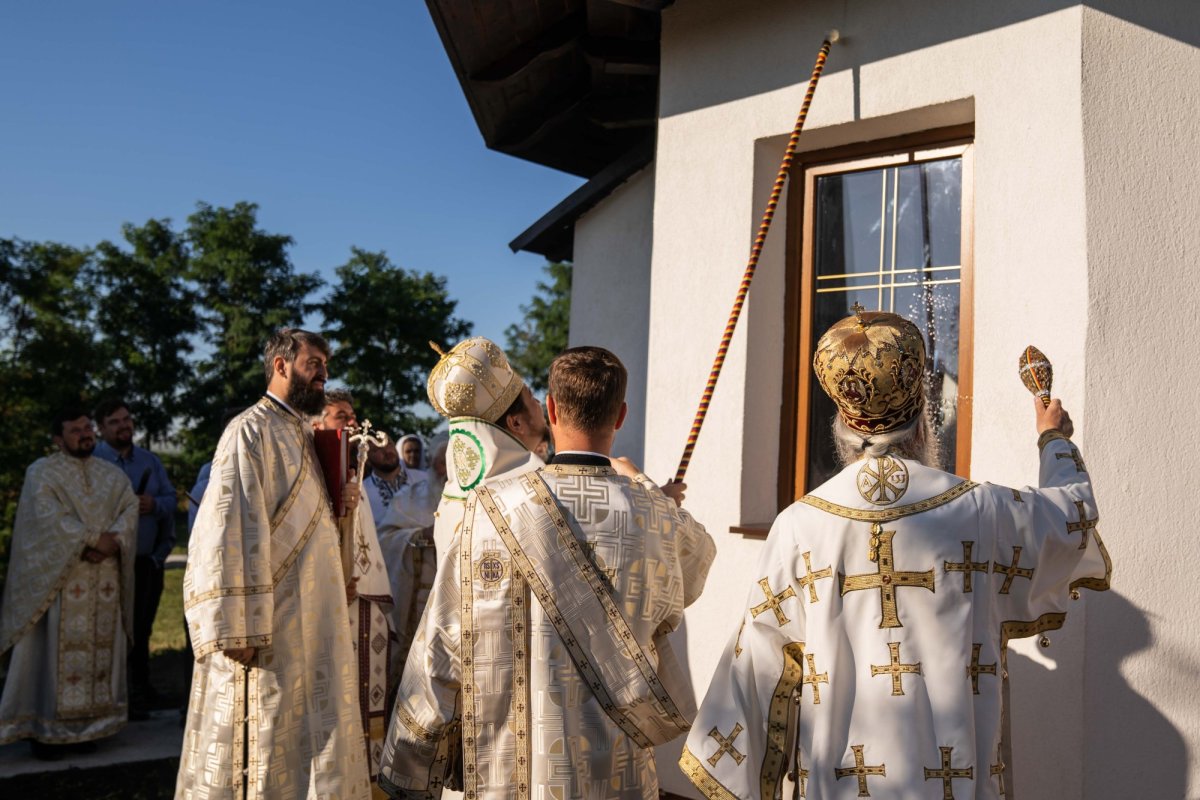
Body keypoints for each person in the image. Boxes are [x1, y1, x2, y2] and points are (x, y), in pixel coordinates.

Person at [680, 307, 1112, 799]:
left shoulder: (799, 526)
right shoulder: (979, 509)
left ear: (843, 426)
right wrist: (1052, 438)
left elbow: (760, 662)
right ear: (921, 421)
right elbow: (1072, 514)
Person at [379, 346, 716, 799]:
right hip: (616, 767)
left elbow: (442, 645)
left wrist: (409, 765)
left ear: (552, 409)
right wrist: (644, 488)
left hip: (513, 768)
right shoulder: (656, 515)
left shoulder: (490, 508)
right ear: (620, 417)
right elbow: (695, 568)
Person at [176, 328, 371, 799]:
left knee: (310, 730)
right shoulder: (249, 430)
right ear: (281, 366)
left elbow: (316, 521)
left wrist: (342, 506)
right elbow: (226, 530)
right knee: (265, 730)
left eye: (325, 365)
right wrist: (235, 626)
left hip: (314, 610)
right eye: (314, 364)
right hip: (268, 621)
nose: (323, 374)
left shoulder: (305, 434)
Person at [0, 408, 138, 758]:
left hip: (105, 578)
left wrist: (114, 540)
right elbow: (45, 518)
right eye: (75, 430)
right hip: (59, 583)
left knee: (98, 650)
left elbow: (129, 508)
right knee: (48, 654)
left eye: (87, 428)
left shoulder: (112, 475)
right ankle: (44, 731)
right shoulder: (41, 472)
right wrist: (92, 539)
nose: (85, 434)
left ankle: (87, 728)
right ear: (57, 440)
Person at [313, 388, 399, 792]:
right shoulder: (311, 472)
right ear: (317, 424)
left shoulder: (355, 470)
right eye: (339, 416)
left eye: (352, 415)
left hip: (364, 601)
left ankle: (367, 780)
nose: (350, 423)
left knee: (369, 694)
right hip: (327, 605)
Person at [423, 336, 549, 560]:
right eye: (532, 398)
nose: (539, 404)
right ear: (516, 423)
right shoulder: (534, 495)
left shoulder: (451, 500)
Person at [92, 398, 177, 717]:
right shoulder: (95, 462)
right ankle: (109, 693)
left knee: (142, 630)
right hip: (107, 563)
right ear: (101, 428)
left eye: (126, 419)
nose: (123, 426)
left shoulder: (149, 462)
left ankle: (140, 690)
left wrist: (153, 505)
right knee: (109, 629)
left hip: (145, 562)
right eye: (114, 422)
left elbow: (172, 500)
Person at [375, 438, 447, 673]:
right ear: (433, 463)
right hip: (416, 602)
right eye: (441, 462)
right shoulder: (410, 497)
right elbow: (384, 539)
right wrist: (419, 536)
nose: (446, 470)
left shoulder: (479, 496)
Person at [363, 435, 408, 525]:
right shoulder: (362, 492)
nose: (387, 451)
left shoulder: (423, 478)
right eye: (377, 449)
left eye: (389, 444)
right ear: (367, 459)